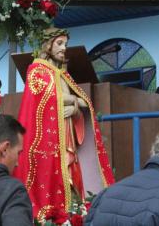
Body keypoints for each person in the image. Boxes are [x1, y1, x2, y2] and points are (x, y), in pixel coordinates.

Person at [13, 27, 114, 220]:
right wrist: (71, 101)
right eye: (59, 43)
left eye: (65, 44)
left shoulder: (62, 75)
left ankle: (73, 212)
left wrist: (75, 106)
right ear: (48, 45)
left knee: (72, 174)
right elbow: (45, 100)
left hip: (67, 133)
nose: (63, 48)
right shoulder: (37, 70)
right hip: (48, 139)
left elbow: (82, 102)